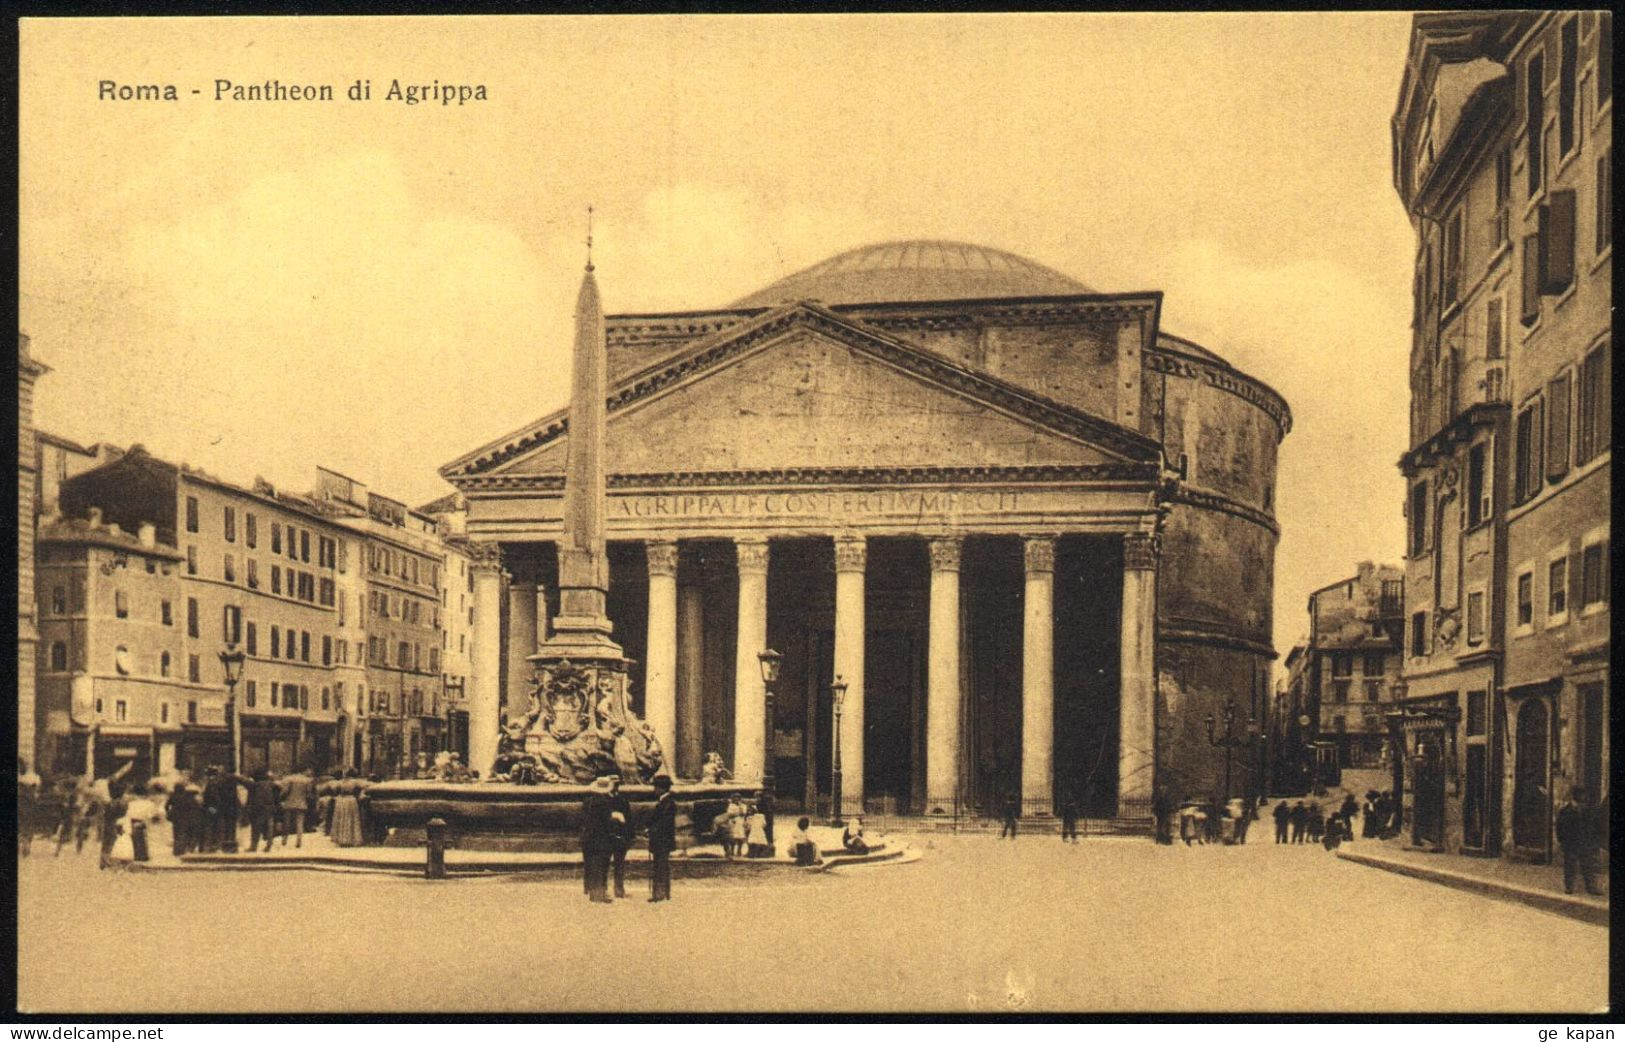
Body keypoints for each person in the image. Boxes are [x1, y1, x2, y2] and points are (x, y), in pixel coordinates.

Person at [1556, 786, 1604, 896]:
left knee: (1588, 865)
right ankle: (1569, 887)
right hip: (1570, 843)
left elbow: (1593, 826)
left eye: (1585, 795)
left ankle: (1591, 887)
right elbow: (1559, 827)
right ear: (1575, 796)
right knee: (1570, 866)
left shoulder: (1588, 811)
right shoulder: (1565, 811)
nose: (1584, 798)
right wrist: (1561, 841)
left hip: (1585, 842)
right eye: (1582, 795)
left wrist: (1593, 840)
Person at [580, 776, 618, 903]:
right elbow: (606, 822)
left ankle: (593, 893)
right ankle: (599, 894)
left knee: (592, 865)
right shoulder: (604, 803)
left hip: (588, 838)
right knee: (601, 866)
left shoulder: (588, 801)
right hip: (601, 839)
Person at [646, 774, 677, 902]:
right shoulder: (665, 802)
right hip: (662, 840)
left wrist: (651, 830)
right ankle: (664, 893)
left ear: (662, 788)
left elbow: (664, 823)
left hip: (662, 840)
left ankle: (659, 894)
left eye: (656, 787)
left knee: (660, 866)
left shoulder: (668, 803)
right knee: (661, 866)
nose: (654, 790)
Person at [606, 775, 632, 898]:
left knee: (619, 864)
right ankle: (602, 888)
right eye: (613, 784)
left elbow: (629, 820)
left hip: (620, 837)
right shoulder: (603, 800)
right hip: (606, 836)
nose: (615, 787)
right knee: (604, 864)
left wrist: (630, 837)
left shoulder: (623, 800)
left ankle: (619, 888)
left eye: (617, 784)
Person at [244, 768, 282, 853]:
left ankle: (253, 846)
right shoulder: (273, 785)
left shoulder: (254, 786)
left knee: (256, 828)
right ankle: (269, 845)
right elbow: (277, 799)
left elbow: (250, 799)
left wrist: (247, 810)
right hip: (270, 808)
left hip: (257, 809)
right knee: (269, 827)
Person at [165, 777, 202, 857]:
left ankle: (176, 850)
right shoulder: (186, 796)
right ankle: (182, 849)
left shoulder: (173, 796)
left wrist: (168, 812)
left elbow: (166, 806)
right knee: (183, 832)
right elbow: (190, 806)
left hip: (175, 817)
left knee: (176, 833)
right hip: (184, 817)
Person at [278, 766, 314, 848]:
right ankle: (299, 841)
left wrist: (281, 797)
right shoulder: (307, 780)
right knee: (300, 823)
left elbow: (285, 791)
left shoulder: (288, 779)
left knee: (287, 822)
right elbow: (308, 793)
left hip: (289, 803)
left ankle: (284, 839)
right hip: (301, 803)